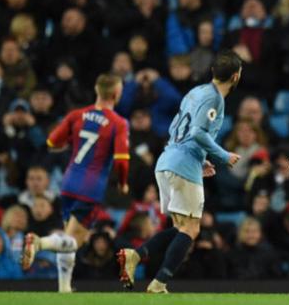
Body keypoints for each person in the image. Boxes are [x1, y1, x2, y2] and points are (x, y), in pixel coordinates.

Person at [117, 50, 242, 293]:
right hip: (183, 165)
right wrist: (222, 156)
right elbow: (196, 132)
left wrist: (201, 158)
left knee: (179, 227)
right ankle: (159, 283)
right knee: (191, 229)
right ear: (236, 77)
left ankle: (136, 255)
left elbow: (177, 127)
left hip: (167, 161)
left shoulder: (195, 92)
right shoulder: (215, 99)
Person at [21, 74, 130, 293]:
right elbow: (121, 159)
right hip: (90, 188)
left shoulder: (76, 115)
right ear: (117, 94)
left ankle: (64, 289)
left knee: (70, 235)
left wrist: (72, 140)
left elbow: (52, 142)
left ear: (97, 91)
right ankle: (39, 242)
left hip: (68, 182)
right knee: (75, 241)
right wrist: (123, 183)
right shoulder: (118, 123)